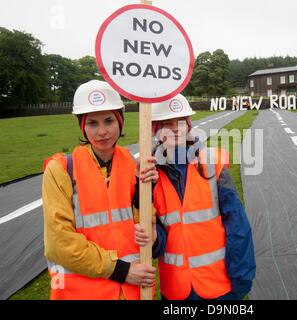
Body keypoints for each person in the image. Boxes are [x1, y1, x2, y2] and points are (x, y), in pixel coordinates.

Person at [42, 80, 166, 300]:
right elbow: (58, 243)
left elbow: (141, 226)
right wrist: (122, 271)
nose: (102, 132)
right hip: (80, 294)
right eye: (92, 123)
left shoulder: (132, 164)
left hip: (130, 293)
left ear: (120, 120)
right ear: (82, 125)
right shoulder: (60, 170)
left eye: (109, 121)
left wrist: (143, 191)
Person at [136, 94, 256, 300]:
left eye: (181, 122)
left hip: (218, 287)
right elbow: (158, 236)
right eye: (166, 123)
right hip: (176, 290)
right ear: (156, 130)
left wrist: (242, 276)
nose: (175, 128)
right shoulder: (149, 175)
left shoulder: (212, 163)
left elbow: (237, 225)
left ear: (189, 125)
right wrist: (154, 239)